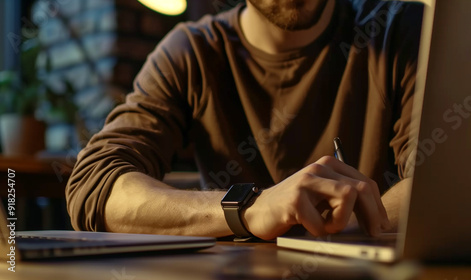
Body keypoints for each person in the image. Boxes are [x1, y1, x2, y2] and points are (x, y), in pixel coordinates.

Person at [66, 0, 423, 240]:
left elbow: (446, 179)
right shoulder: (191, 52)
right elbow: (95, 186)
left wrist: (327, 223)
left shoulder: (402, 29)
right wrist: (249, 208)